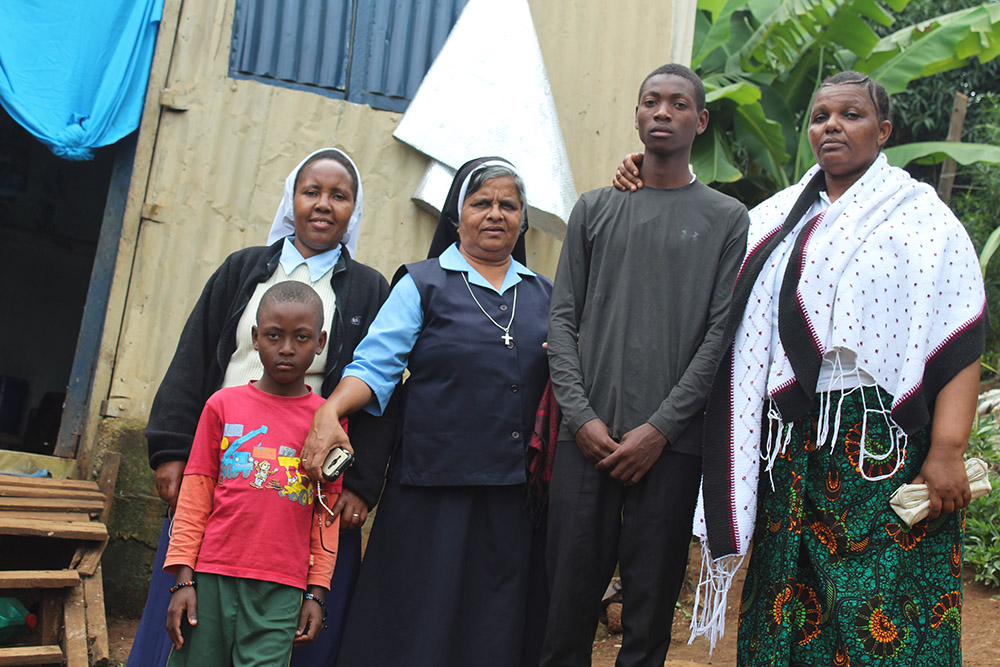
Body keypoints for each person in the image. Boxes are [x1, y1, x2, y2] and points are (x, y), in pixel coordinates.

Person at [617, 71, 987, 666]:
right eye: (821, 117)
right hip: (790, 445)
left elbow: (959, 340)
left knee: (885, 605)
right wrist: (643, 171)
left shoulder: (924, 222)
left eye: (851, 115)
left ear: (884, 130)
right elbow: (699, 234)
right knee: (788, 594)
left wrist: (946, 449)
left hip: (881, 445)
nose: (832, 126)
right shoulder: (774, 218)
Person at [132, 147, 396, 667]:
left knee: (292, 619)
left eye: (338, 196)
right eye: (311, 192)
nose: (323, 205)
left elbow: (382, 388)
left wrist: (362, 484)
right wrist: (170, 451)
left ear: (353, 210)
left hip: (306, 481)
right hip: (226, 463)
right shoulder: (243, 270)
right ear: (291, 200)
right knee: (192, 615)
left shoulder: (369, 289)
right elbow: (193, 356)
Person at [300, 157, 552, 667]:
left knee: (494, 623)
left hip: (513, 495)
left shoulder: (546, 294)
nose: (495, 214)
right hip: (431, 485)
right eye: (481, 203)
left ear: (523, 220)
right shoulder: (422, 283)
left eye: (509, 205)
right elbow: (375, 366)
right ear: (457, 217)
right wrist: (331, 412)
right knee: (416, 621)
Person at [542, 63, 749, 667]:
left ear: (700, 120)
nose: (663, 112)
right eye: (651, 102)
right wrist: (579, 418)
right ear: (636, 115)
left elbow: (720, 336)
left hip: (670, 449)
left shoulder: (727, 218)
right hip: (588, 441)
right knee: (566, 611)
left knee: (649, 613)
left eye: (678, 104)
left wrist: (660, 430)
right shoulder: (594, 208)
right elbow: (562, 319)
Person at [164, 281, 342, 664]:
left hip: (282, 588)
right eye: (275, 336)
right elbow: (194, 497)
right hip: (211, 576)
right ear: (255, 336)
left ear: (321, 341)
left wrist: (316, 592)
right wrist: (183, 578)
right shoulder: (222, 406)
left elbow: (326, 516)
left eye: (302, 337)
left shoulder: (329, 422)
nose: (288, 349)